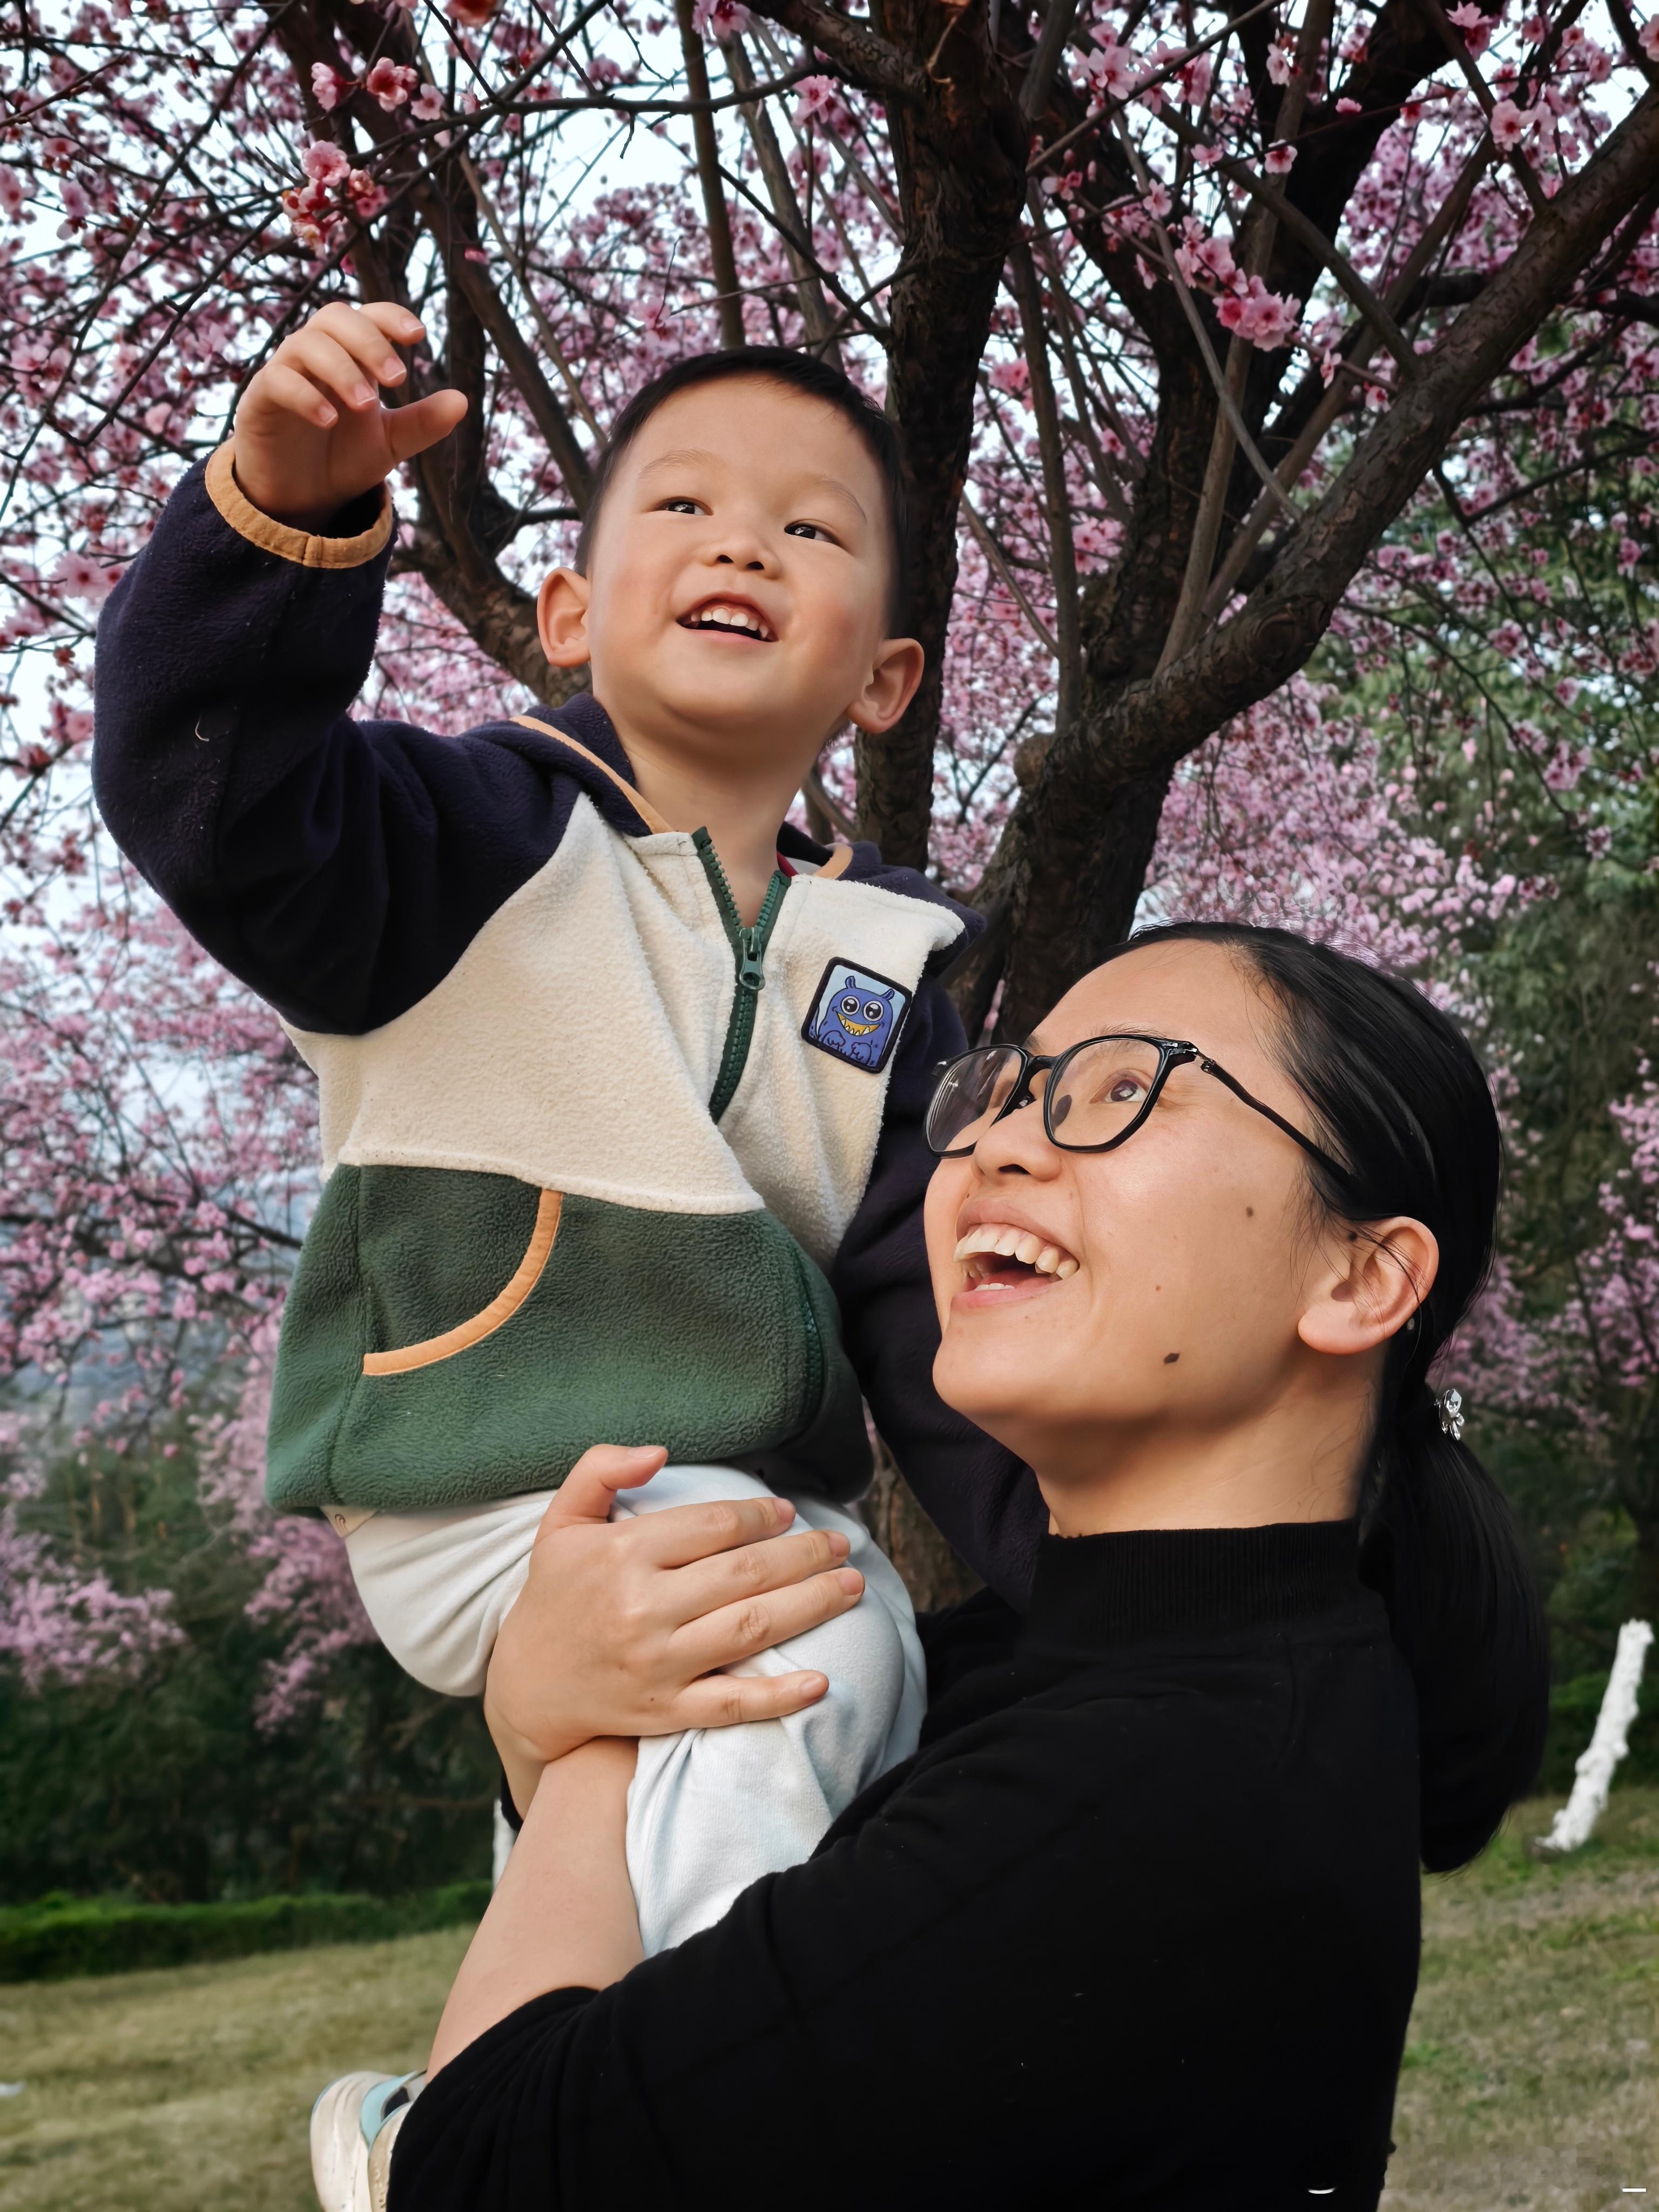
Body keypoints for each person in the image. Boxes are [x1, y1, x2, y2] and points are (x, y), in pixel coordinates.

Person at [89, 309, 1046, 2189]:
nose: (742, 543)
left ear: (888, 678)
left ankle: (467, 2120)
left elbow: (933, 1343)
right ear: (566, 616)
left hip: (711, 1509)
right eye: (680, 505)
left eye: (811, 530)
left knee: (862, 1678)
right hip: (481, 1484)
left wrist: (1109, 1577)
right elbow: (220, 801)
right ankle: (623, 2132)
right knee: (815, 1637)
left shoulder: (893, 984)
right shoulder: (459, 841)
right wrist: (281, 518)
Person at [377, 923, 1548, 2211]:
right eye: (1008, 1087)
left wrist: (577, 1729)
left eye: (1122, 1088)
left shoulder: (1139, 1802)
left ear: (1361, 1275)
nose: (998, 1140)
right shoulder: (1093, 1683)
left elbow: (471, 2169)